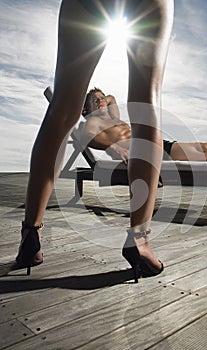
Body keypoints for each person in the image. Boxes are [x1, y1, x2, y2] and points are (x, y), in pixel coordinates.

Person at [15, 0, 174, 282]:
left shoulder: (104, 114)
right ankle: (140, 240)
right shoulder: (96, 124)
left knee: (61, 109)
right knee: (146, 103)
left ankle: (31, 233)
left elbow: (106, 105)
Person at [80, 87, 207, 164]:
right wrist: (114, 148)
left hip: (156, 146)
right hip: (146, 153)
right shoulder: (93, 121)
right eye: (95, 101)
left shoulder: (113, 119)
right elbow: (86, 136)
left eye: (101, 99)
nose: (101, 101)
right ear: (85, 111)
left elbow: (111, 98)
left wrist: (98, 94)